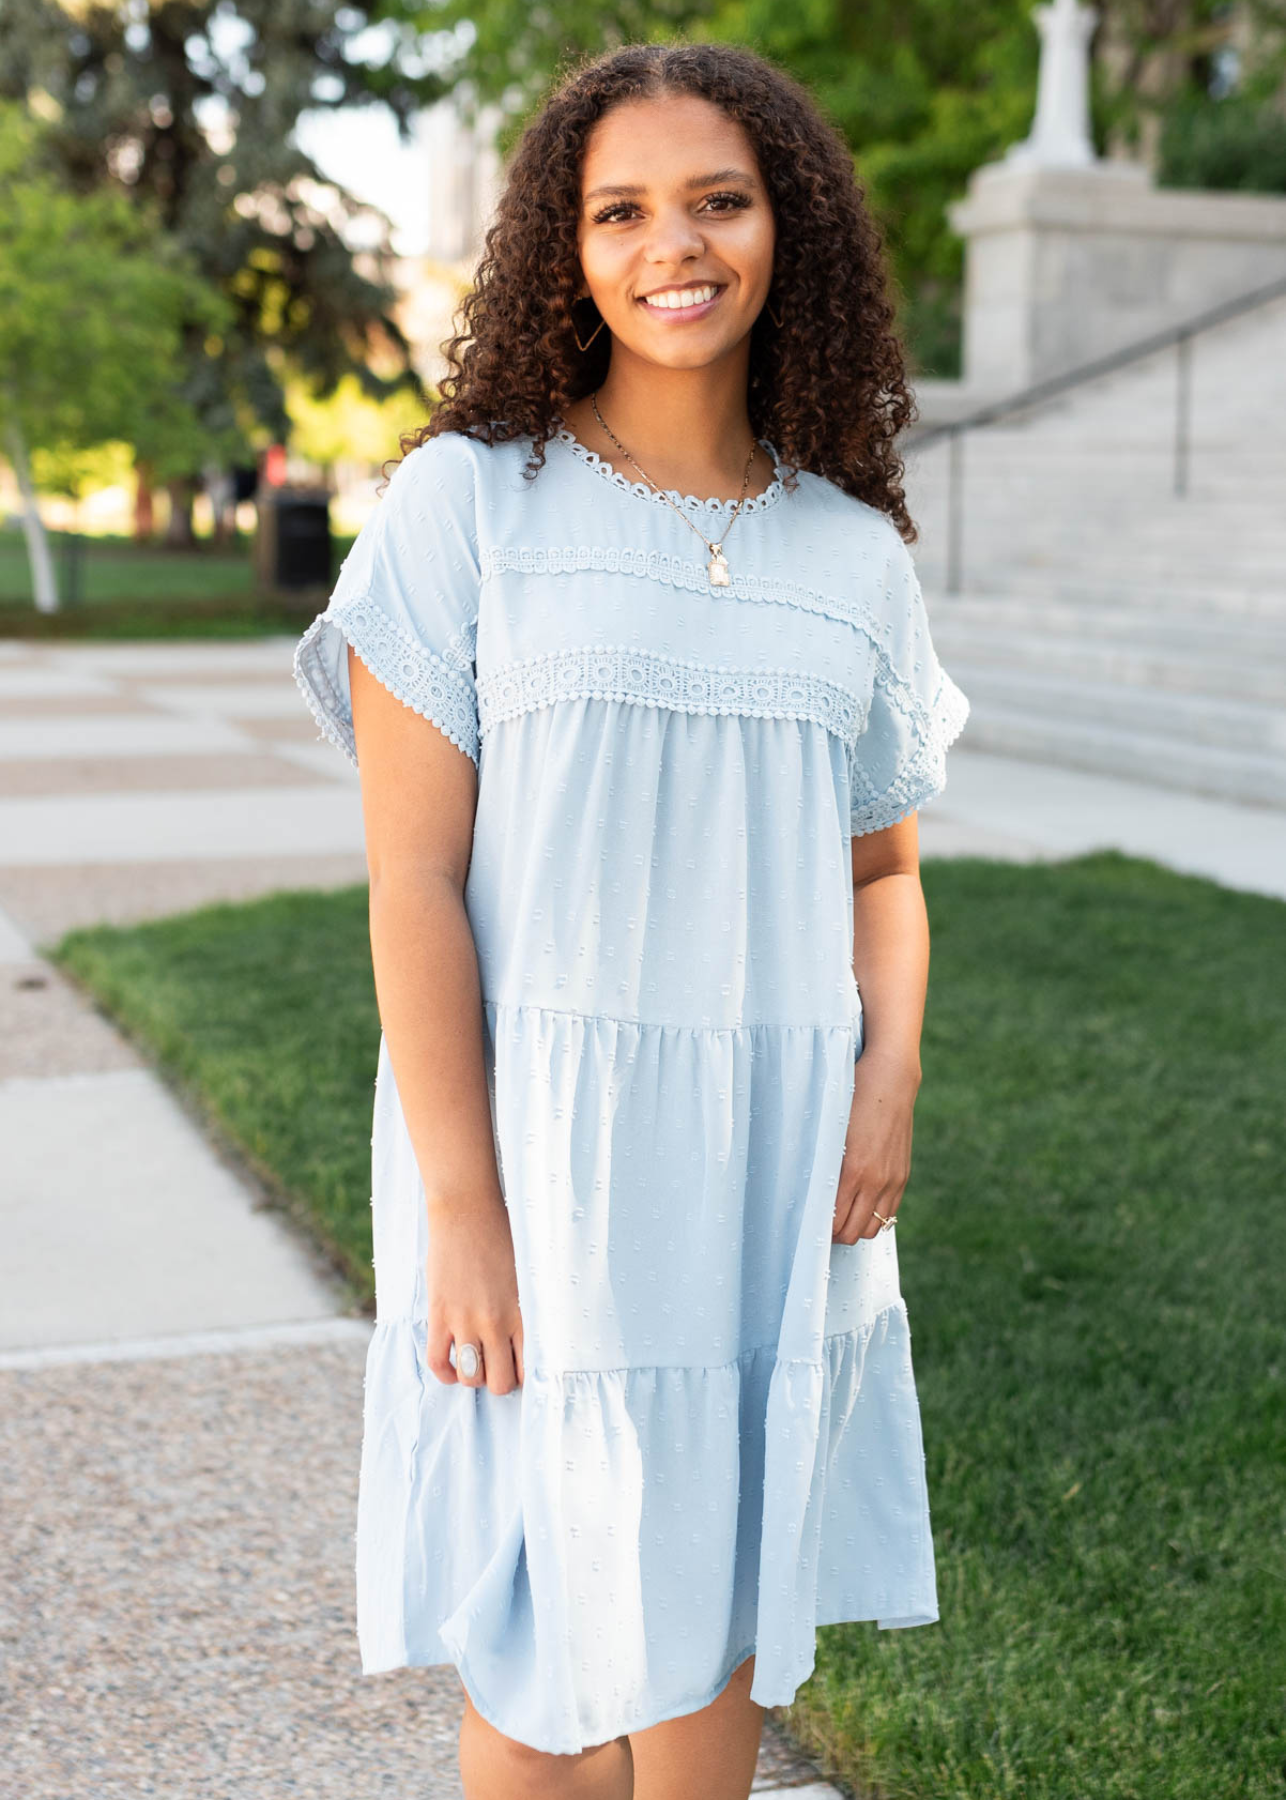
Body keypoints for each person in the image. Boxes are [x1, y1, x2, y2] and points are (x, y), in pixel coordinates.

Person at [293, 38, 970, 1800]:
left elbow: (881, 875)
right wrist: (464, 1208)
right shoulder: (469, 507)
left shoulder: (854, 556)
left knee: (714, 1611)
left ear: (786, 231)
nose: (674, 245)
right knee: (543, 1641)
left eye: (719, 201)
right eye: (621, 210)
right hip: (543, 1145)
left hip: (776, 1144)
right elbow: (415, 882)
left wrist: (887, 1072)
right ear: (563, 250)